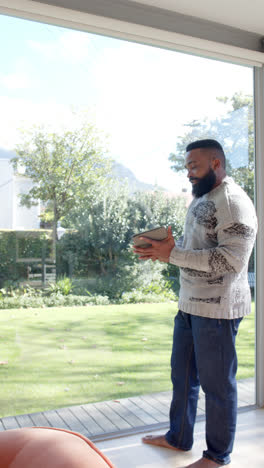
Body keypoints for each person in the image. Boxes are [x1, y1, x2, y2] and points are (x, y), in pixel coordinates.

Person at [133, 139, 257, 468]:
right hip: (190, 306)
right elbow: (201, 247)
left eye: (194, 166)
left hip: (217, 310)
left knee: (217, 387)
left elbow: (231, 259)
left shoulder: (232, 201)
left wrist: (172, 254)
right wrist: (168, 248)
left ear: (216, 163)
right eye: (186, 166)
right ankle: (178, 437)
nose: (188, 172)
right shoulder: (204, 197)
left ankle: (217, 457)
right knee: (184, 377)